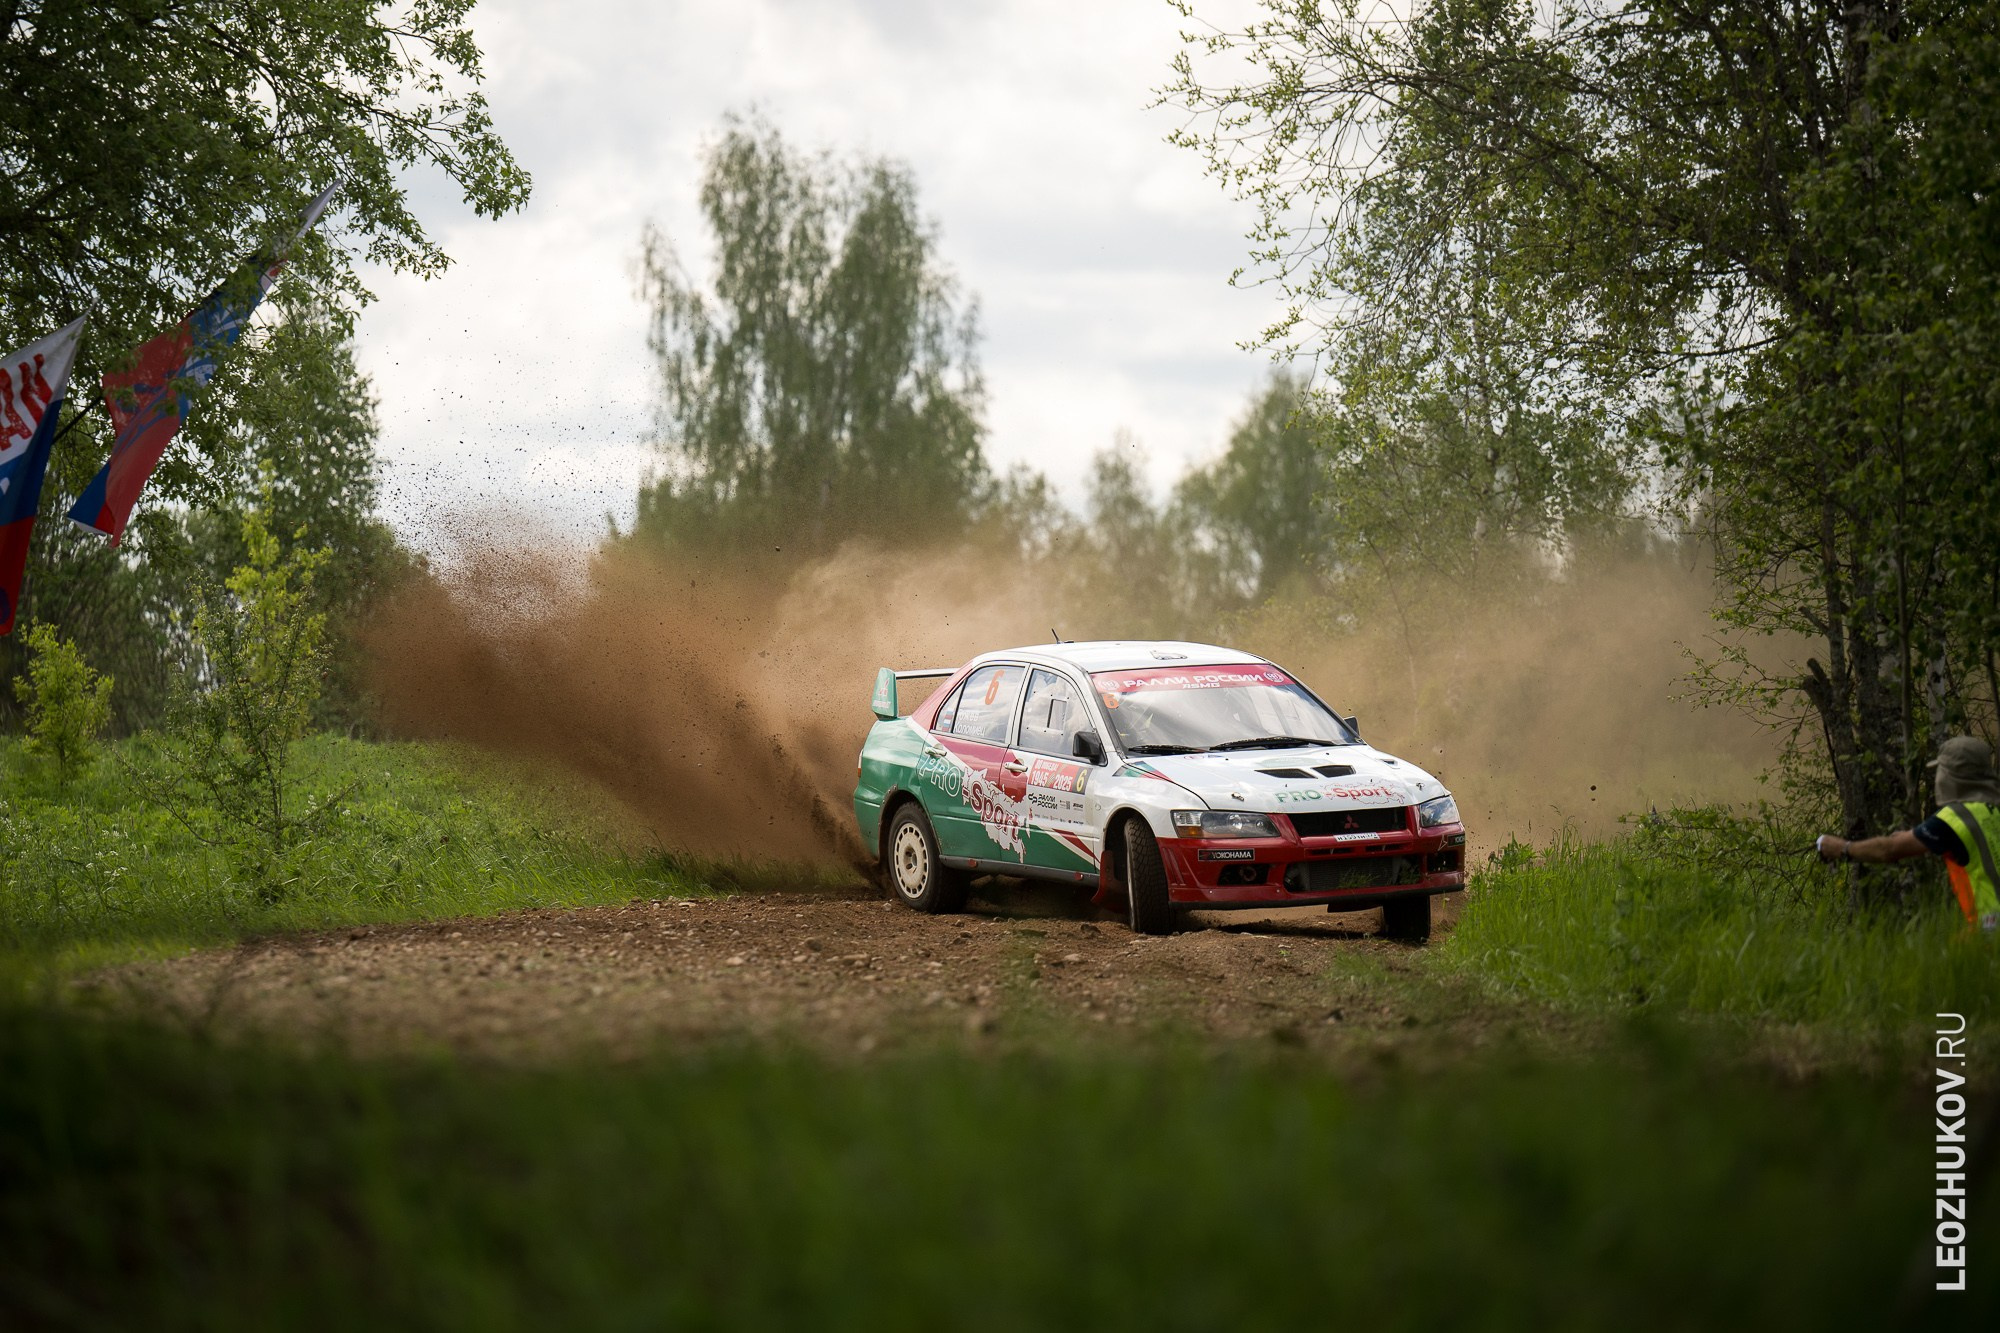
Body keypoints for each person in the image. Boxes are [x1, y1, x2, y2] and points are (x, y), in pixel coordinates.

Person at [1816, 735, 2000, 932]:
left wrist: (1843, 848)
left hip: (1991, 927)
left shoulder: (1956, 818)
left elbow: (1889, 850)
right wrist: (1914, 835)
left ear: (1954, 776)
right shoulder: (1991, 810)